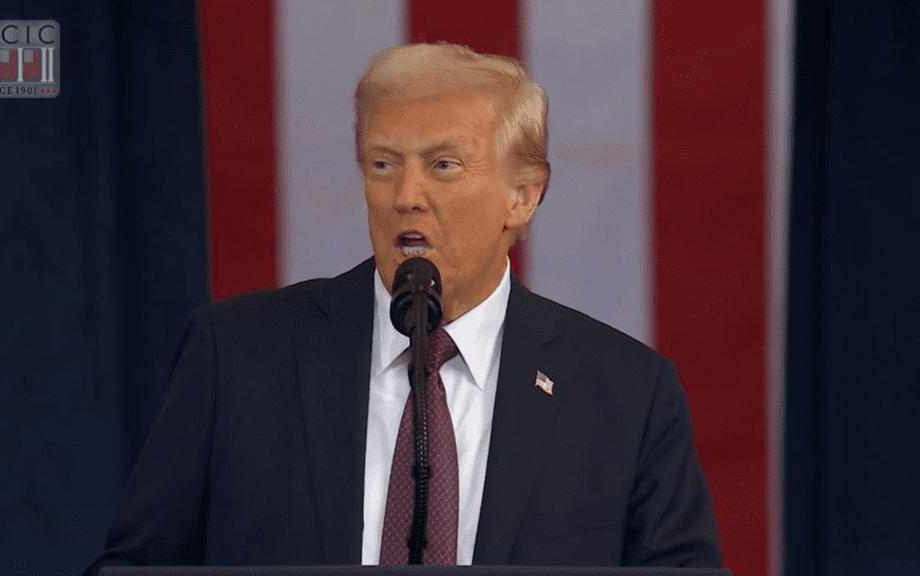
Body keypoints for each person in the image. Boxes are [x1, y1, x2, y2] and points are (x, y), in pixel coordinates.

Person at [83, 42, 722, 574]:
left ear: (521, 198)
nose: (406, 195)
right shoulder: (239, 354)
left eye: (443, 164)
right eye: (384, 163)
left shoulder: (626, 392)